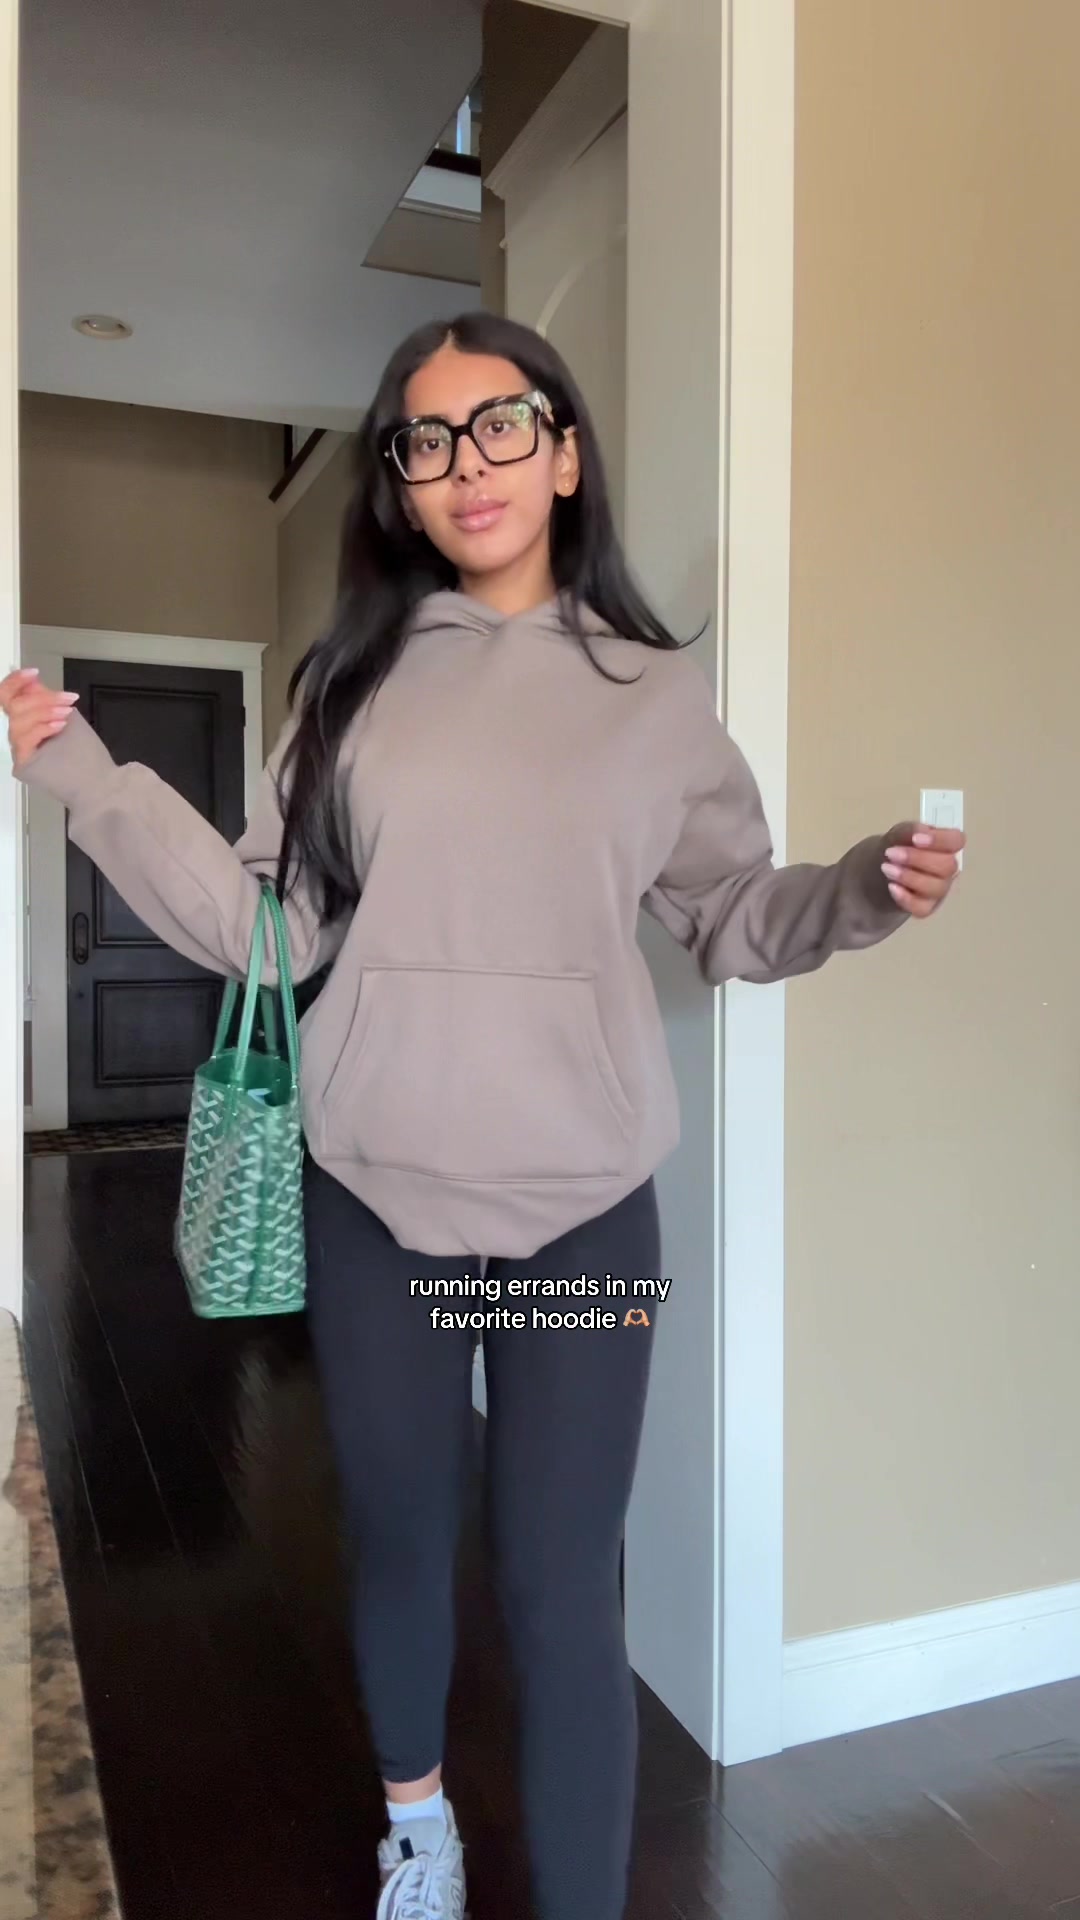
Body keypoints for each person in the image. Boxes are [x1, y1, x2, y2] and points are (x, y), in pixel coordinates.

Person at [1, 311, 963, 1920]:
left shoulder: (656, 698)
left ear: (565, 452)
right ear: (400, 480)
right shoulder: (351, 687)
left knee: (562, 1582)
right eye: (427, 438)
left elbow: (733, 916)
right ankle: (420, 1832)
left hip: (584, 1213)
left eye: (502, 423)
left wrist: (865, 886)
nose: (467, 463)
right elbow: (269, 933)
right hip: (378, 1206)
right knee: (398, 1539)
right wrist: (88, 774)